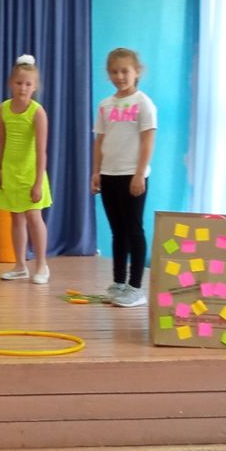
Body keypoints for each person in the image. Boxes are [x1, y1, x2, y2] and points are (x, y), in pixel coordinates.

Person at [91, 47, 157, 308]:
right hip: (109, 175)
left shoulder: (143, 103)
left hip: (132, 176)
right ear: (108, 74)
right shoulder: (105, 105)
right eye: (114, 72)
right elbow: (99, 141)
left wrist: (140, 174)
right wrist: (96, 172)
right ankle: (118, 282)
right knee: (117, 231)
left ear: (136, 72)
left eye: (125, 71)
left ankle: (135, 287)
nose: (119, 76)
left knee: (134, 230)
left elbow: (148, 140)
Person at [0, 54, 52, 285]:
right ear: (11, 83)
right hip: (10, 171)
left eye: (28, 84)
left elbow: (41, 150)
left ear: (35, 87)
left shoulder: (38, 112)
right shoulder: (3, 109)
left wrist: (38, 182)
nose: (23, 88)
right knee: (15, 218)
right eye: (19, 83)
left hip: (31, 173)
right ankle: (20, 265)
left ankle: (42, 265)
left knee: (33, 216)